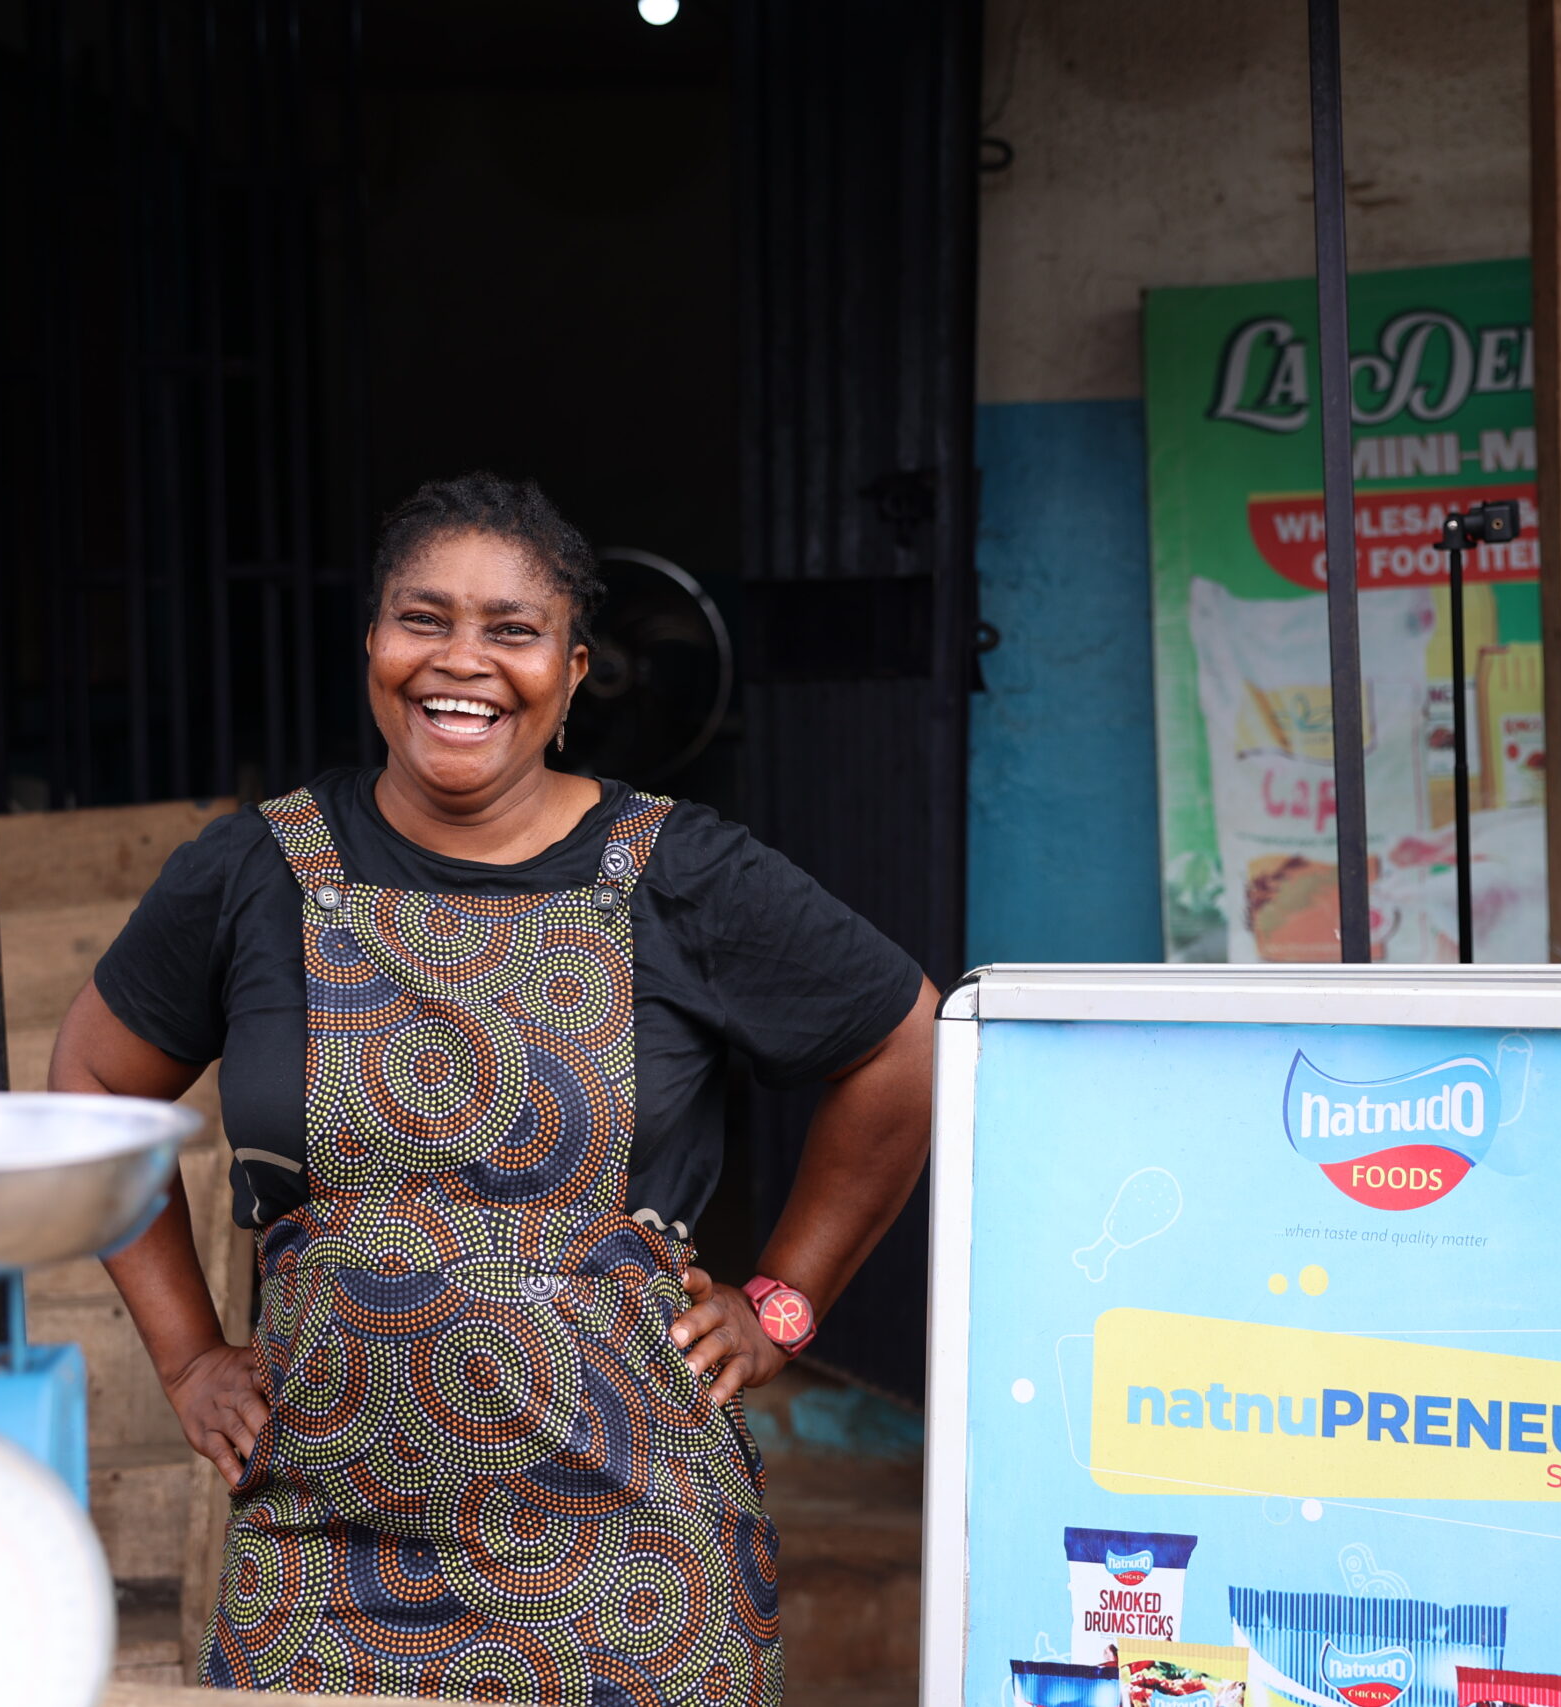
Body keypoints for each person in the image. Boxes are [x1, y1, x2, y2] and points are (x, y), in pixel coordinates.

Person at [48, 473, 936, 1703]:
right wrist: (191, 1356)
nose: (459, 661)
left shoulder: (682, 872)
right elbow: (93, 1079)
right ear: (373, 642)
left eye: (512, 631)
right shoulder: (258, 869)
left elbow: (898, 1038)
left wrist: (784, 1303)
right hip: (323, 1555)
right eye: (423, 619)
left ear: (572, 672)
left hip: (632, 1564)